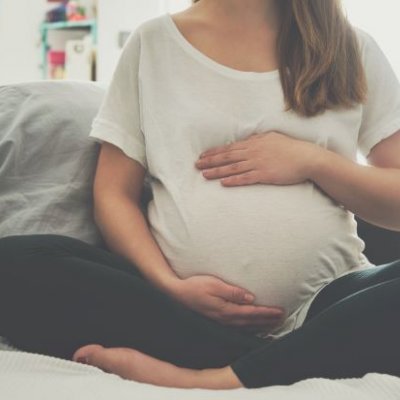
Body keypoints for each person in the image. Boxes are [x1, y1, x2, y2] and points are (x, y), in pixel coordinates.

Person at [1, 0, 400, 390]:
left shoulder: (351, 47)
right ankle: (292, 358)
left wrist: (314, 161)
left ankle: (216, 377)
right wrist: (168, 285)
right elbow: (113, 194)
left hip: (328, 304)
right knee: (13, 262)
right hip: (180, 313)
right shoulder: (153, 44)